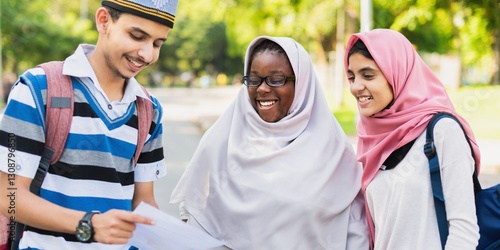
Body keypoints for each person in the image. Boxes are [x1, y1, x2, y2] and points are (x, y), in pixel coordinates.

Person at [0, 0, 179, 248]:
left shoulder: (149, 109)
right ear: (104, 20)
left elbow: (143, 200)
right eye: (137, 36)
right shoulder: (37, 89)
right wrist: (88, 224)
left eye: (157, 44)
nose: (147, 54)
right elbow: (8, 194)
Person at [170, 36, 369, 249]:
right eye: (254, 79)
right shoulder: (221, 142)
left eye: (277, 79)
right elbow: (196, 221)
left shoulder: (335, 152)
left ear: (301, 83)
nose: (263, 89)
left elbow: (355, 230)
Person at [344, 29, 481, 249]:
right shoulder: (372, 140)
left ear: (397, 73)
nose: (355, 87)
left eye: (368, 75)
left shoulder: (442, 131)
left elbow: (464, 231)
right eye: (352, 76)